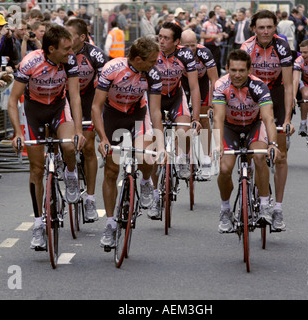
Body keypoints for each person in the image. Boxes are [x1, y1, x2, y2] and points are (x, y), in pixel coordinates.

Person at [9, 25, 85, 251]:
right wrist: (18, 134)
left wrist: (79, 130)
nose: (71, 53)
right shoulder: (30, 62)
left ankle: (70, 173)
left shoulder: (70, 62)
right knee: (36, 169)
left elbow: (74, 96)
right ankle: (38, 223)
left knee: (69, 147)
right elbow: (12, 101)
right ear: (51, 49)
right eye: (66, 49)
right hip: (34, 113)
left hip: (58, 109)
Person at [91, 37, 164, 249]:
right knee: (112, 170)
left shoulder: (153, 73)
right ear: (138, 59)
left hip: (138, 113)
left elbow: (156, 110)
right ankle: (111, 223)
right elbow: (96, 107)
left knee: (146, 155)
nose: (155, 64)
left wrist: (160, 144)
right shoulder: (112, 69)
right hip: (113, 115)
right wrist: (103, 138)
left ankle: (145, 182)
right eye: (151, 60)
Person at [212, 49, 279, 232]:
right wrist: (217, 144)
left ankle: (264, 205)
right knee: (225, 168)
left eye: (242, 70)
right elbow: (217, 118)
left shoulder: (259, 86)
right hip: (230, 127)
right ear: (227, 68)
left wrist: (273, 144)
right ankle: (225, 210)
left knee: (259, 158)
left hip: (253, 126)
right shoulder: (220, 85)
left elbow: (268, 118)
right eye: (233, 70)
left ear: (249, 70)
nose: (237, 74)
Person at [241, 10, 294, 231]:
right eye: (261, 27)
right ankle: (254, 185)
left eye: (269, 27)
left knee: (280, 156)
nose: (265, 31)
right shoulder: (246, 48)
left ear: (275, 28)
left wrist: (288, 118)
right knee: (256, 153)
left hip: (277, 94)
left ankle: (279, 209)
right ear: (254, 28)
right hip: (253, 96)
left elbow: (289, 85)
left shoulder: (282, 46)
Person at [148, 21, 202, 219]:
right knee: (153, 149)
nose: (161, 41)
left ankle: (183, 158)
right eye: (159, 37)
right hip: (154, 97)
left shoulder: (185, 55)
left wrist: (196, 117)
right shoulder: (152, 53)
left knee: (185, 130)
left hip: (176, 97)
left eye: (166, 38)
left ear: (177, 42)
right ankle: (155, 196)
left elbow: (194, 87)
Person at [65, 18, 108, 222]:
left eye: (69, 36)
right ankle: (70, 172)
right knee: (66, 145)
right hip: (64, 98)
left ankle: (90, 199)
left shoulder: (95, 54)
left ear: (82, 37)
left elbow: (107, 80)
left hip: (88, 99)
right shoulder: (60, 51)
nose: (65, 39)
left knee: (89, 146)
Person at [180, 29, 218, 178]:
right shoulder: (177, 53)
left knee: (202, 117)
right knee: (182, 118)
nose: (190, 49)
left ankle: (207, 158)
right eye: (187, 46)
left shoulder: (205, 53)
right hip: (183, 82)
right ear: (180, 44)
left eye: (193, 45)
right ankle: (184, 156)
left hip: (201, 81)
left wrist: (212, 104)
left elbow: (214, 80)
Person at [201, 11, 225, 77]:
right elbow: (202, 35)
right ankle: (207, 76)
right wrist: (213, 36)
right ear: (214, 16)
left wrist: (219, 38)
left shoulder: (218, 25)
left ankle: (217, 76)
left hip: (216, 45)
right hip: (208, 45)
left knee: (217, 62)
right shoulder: (205, 24)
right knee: (208, 61)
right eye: (216, 16)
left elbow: (220, 35)